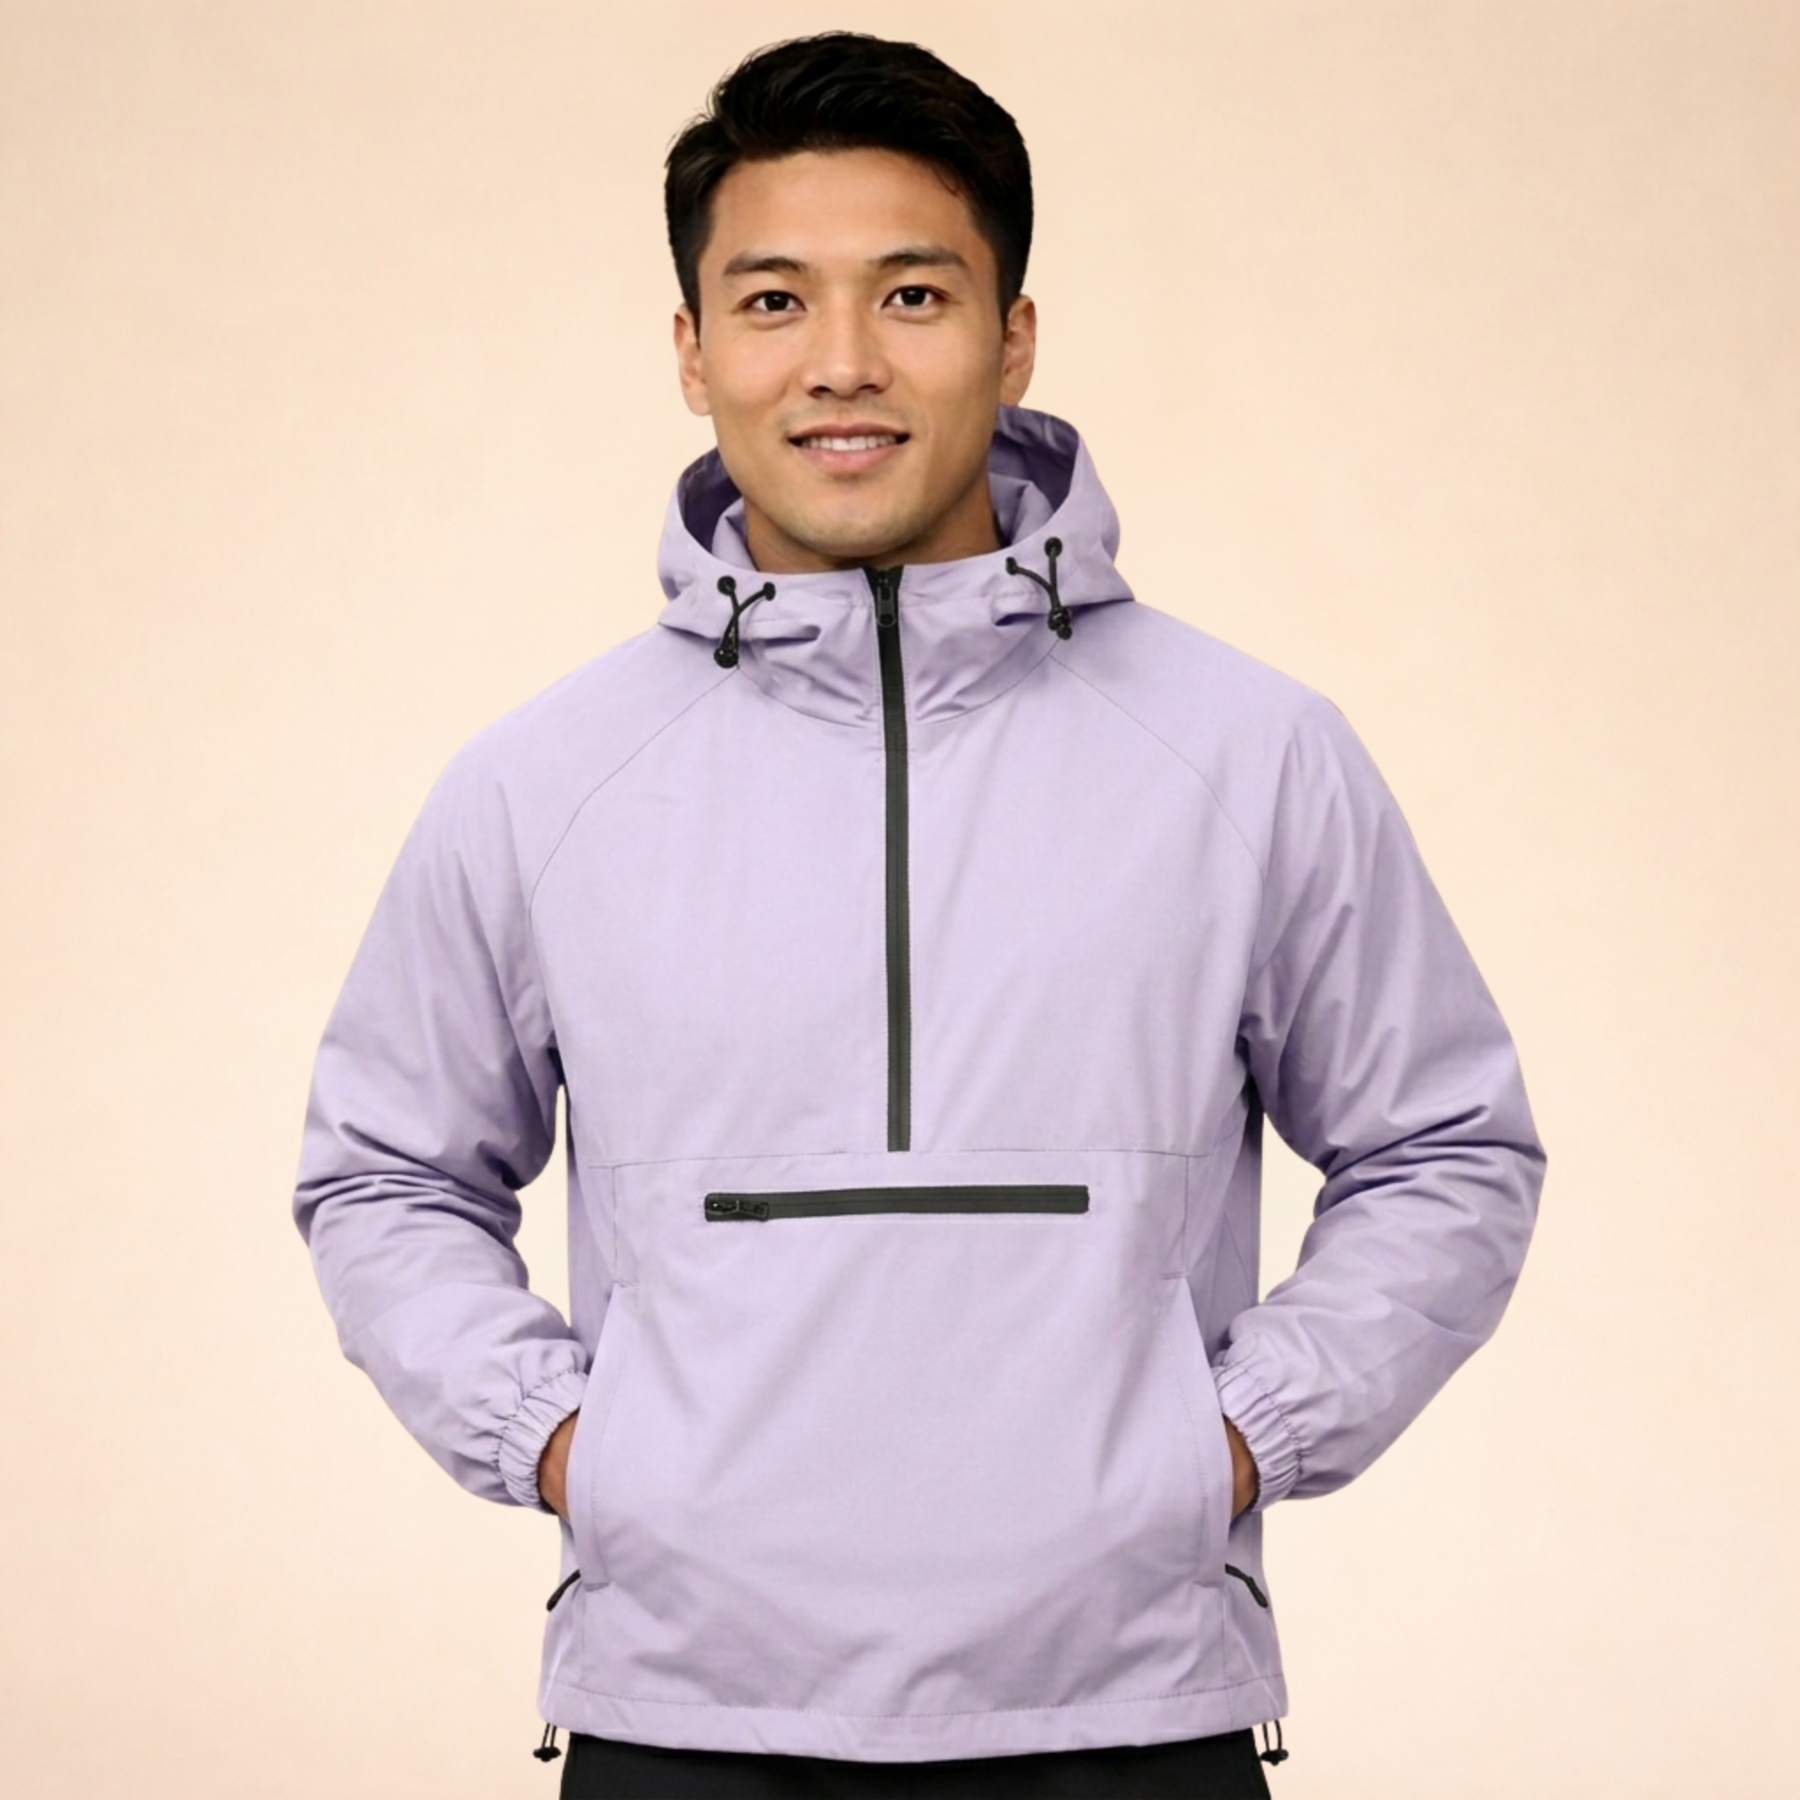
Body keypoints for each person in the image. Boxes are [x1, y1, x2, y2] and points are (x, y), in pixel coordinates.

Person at [292, 31, 1545, 1799]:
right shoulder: (539, 782)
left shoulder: (1250, 753)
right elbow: (385, 1174)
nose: (843, 363)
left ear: (1013, 336)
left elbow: (1448, 1149)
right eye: (774, 301)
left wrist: (1231, 1443)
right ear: (692, 351)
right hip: (685, 1721)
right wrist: (578, 1446)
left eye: (913, 294)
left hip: (1129, 1718)